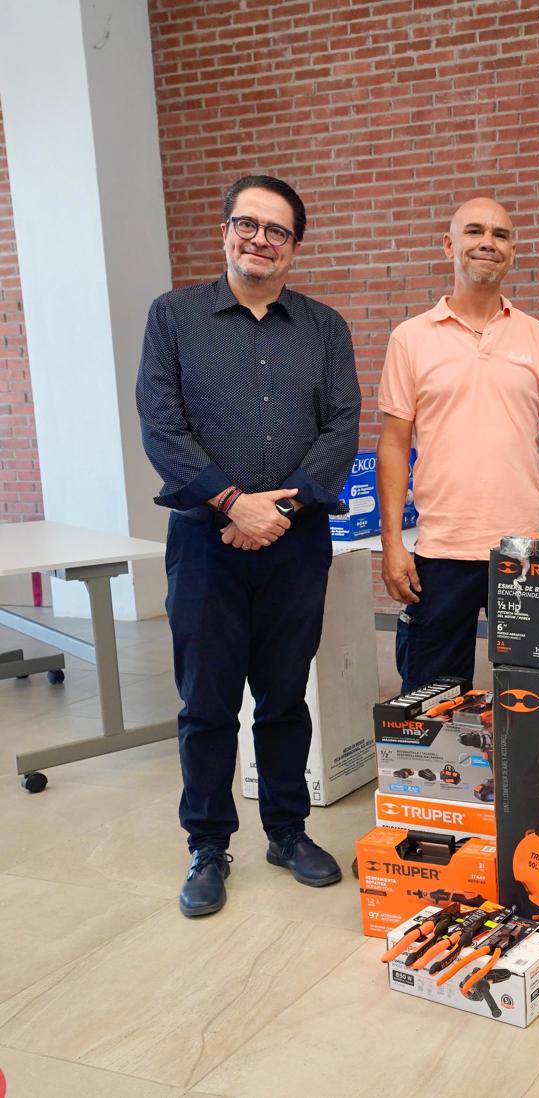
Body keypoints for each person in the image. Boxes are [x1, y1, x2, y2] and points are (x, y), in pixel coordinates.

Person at [136, 174, 361, 918]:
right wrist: (234, 503)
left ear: (295, 245)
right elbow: (162, 426)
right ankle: (208, 845)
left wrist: (279, 509)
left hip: (296, 541)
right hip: (207, 541)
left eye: (277, 230)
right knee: (206, 703)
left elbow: (342, 428)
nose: (260, 239)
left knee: (284, 697)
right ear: (226, 230)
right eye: (248, 224)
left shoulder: (324, 327)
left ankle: (287, 831)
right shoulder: (173, 317)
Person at [377, 197, 539, 691]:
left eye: (500, 235)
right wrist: (392, 545)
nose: (488, 242)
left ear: (513, 253)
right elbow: (394, 445)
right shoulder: (410, 339)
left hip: (528, 549)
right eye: (474, 231)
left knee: (538, 696)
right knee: (432, 698)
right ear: (449, 245)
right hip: (442, 549)